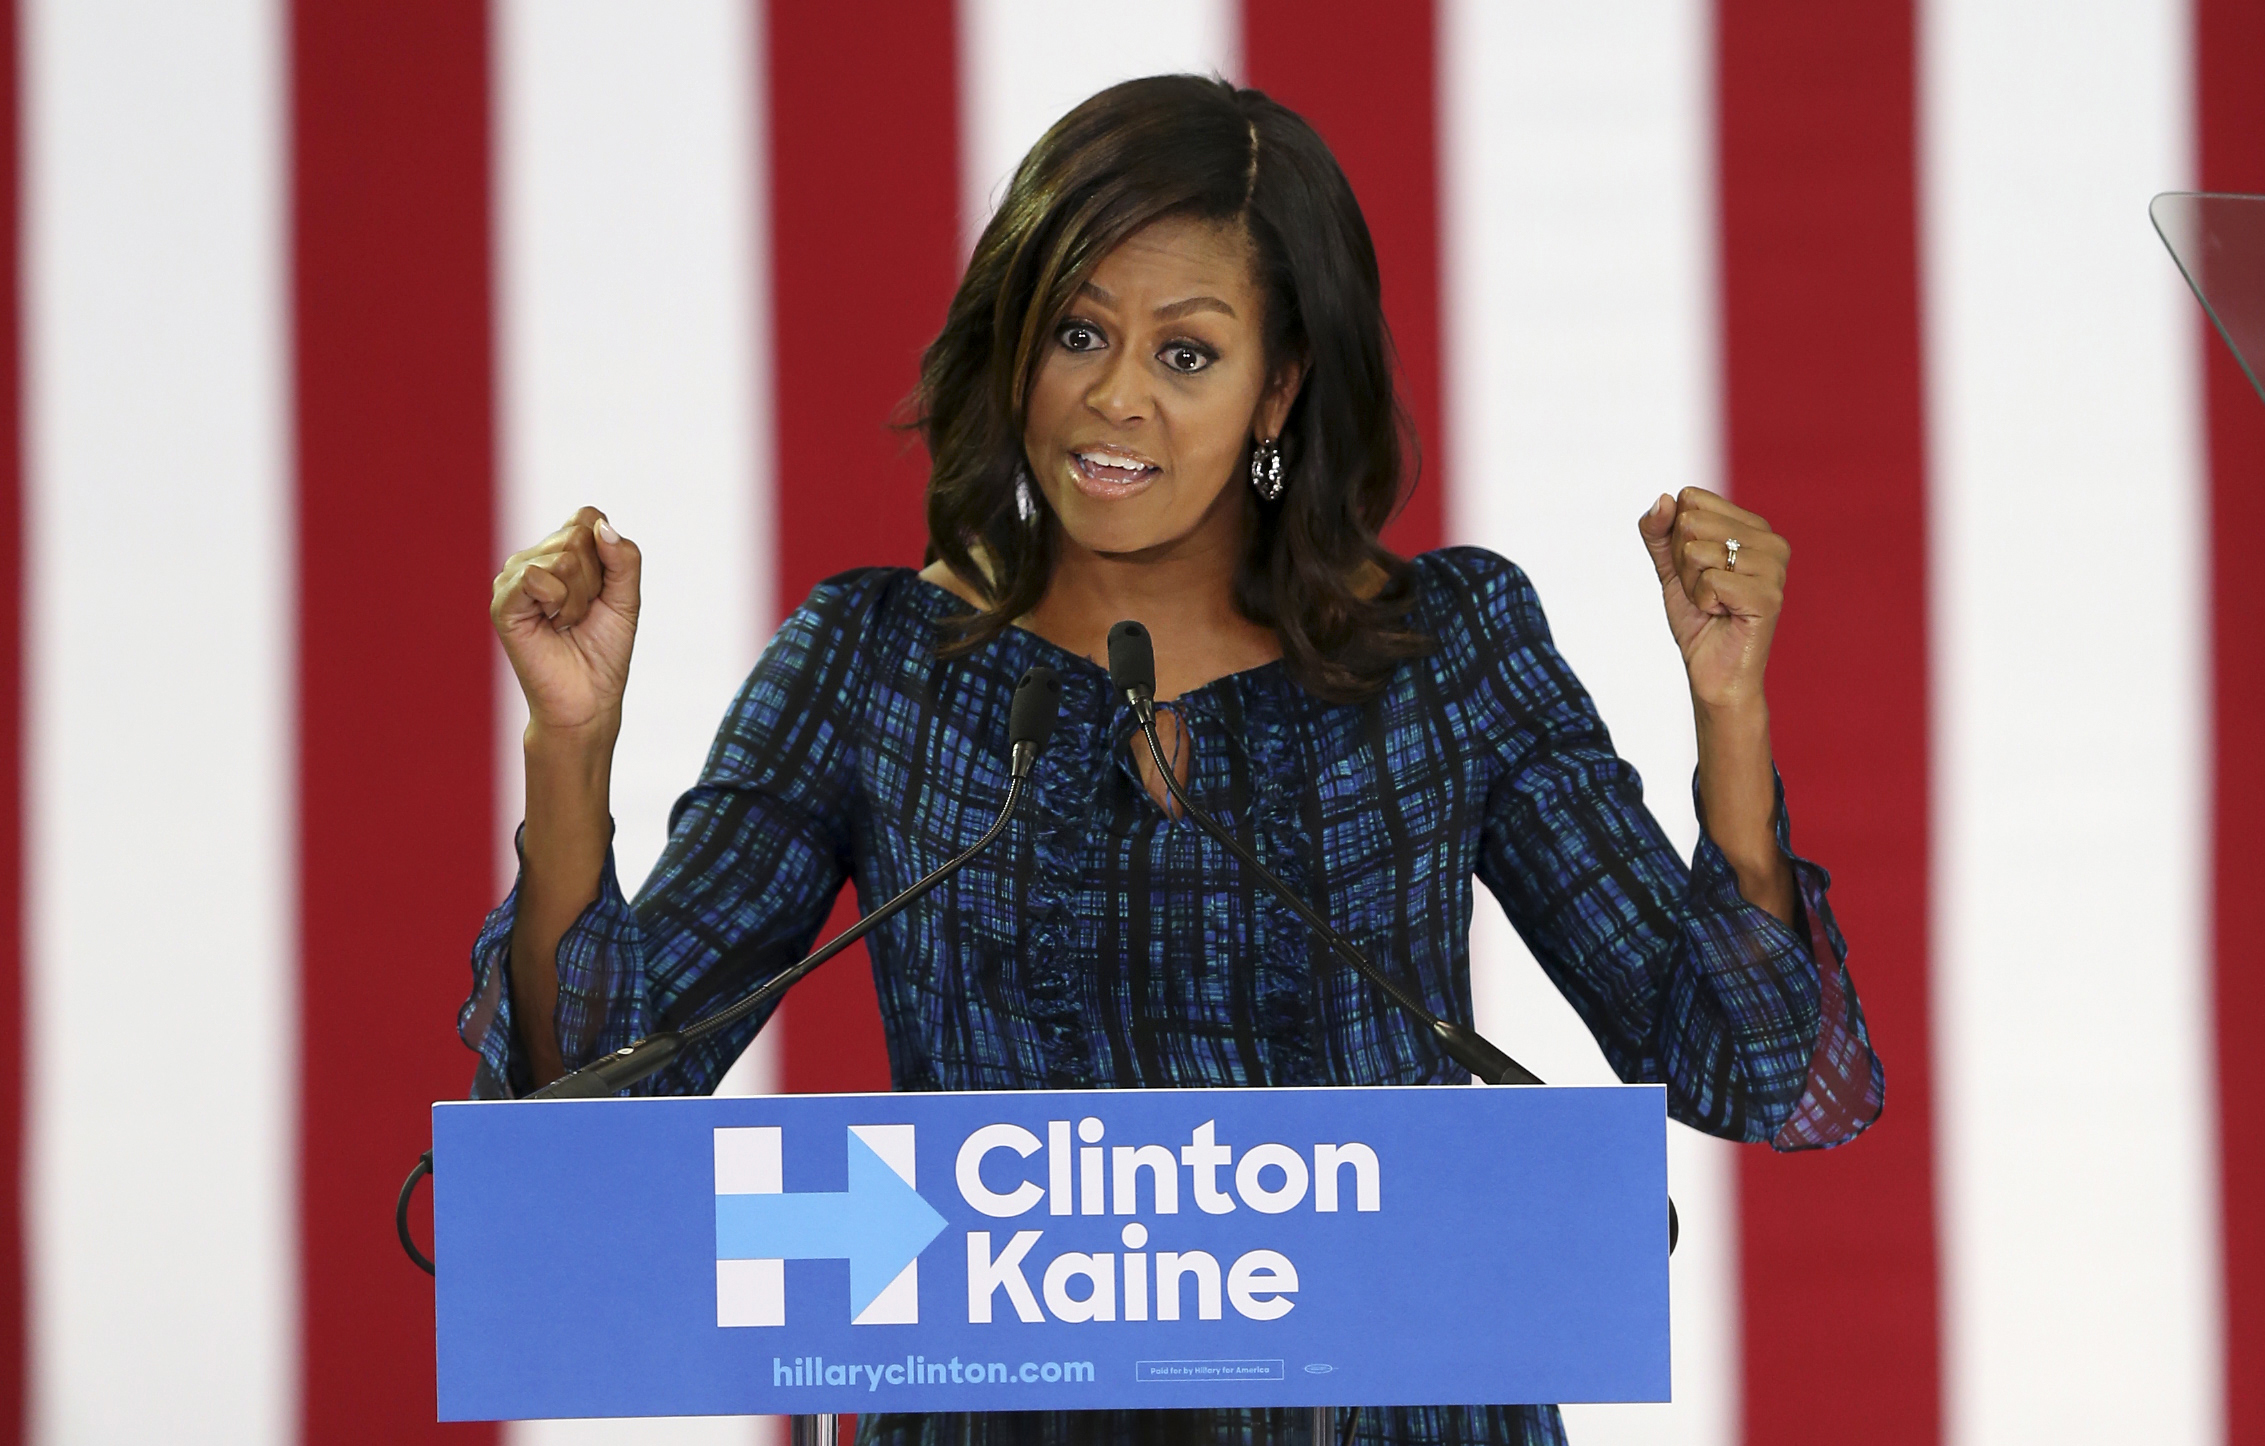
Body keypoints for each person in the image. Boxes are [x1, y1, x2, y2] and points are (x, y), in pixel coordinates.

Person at [461, 74, 1883, 1446]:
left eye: (1186, 353)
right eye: (1077, 333)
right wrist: (568, 750)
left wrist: (1729, 716)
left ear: (1280, 390)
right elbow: (593, 1120)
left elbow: (1764, 1077)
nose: (1114, 398)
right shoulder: (875, 663)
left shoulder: (1442, 651)